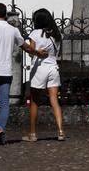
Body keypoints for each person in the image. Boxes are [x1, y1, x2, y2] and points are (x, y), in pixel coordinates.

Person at [0, 2, 45, 145]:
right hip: (7, 71)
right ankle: (1, 133)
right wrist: (38, 52)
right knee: (5, 103)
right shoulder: (13, 30)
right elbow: (25, 46)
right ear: (5, 14)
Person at [22, 8, 66, 142]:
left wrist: (36, 52)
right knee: (54, 100)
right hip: (53, 68)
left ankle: (33, 133)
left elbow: (31, 52)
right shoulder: (57, 35)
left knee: (35, 102)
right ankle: (60, 131)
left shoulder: (35, 33)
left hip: (39, 68)